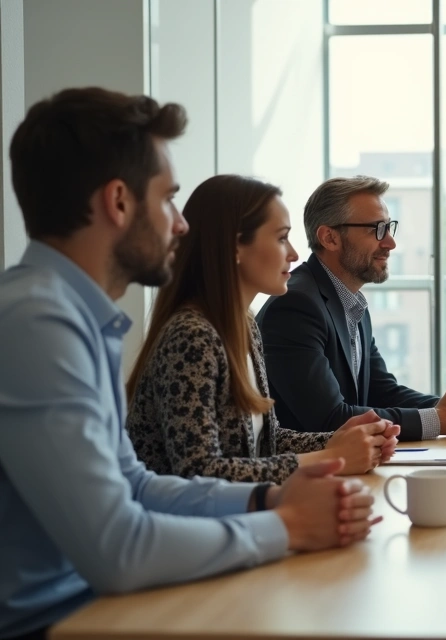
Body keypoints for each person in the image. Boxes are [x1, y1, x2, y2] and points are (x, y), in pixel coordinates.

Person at [0, 88, 379, 640]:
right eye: (168, 199)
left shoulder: (78, 316)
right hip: (58, 622)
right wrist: (288, 524)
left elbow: (137, 483)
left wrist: (270, 498)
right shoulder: (37, 324)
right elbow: (118, 547)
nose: (180, 225)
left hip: (95, 606)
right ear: (119, 202)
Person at [125, 175, 401, 484]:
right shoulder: (191, 336)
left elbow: (262, 442)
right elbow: (198, 473)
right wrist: (330, 456)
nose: (294, 254)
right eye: (282, 238)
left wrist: (340, 441)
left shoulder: (244, 327)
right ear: (235, 247)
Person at [256, 176, 446, 441]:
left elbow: (381, 391)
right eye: (376, 229)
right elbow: (328, 419)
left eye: (389, 227)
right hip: (306, 475)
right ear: (329, 237)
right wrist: (440, 420)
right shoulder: (295, 306)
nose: (390, 243)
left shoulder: (351, 301)